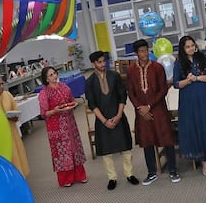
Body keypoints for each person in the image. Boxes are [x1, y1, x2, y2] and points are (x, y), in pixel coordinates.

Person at [125, 39, 180, 184]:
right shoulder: (131, 70)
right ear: (136, 54)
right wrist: (140, 108)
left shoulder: (157, 67)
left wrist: (149, 106)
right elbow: (130, 92)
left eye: (146, 50)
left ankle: (173, 170)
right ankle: (151, 172)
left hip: (158, 108)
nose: (145, 53)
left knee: (167, 138)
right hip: (141, 112)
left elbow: (163, 89)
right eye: (141, 51)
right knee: (147, 140)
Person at [173, 36, 206, 175]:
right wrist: (188, 80)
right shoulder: (179, 63)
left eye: (192, 45)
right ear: (182, 49)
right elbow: (176, 84)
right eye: (187, 46)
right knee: (197, 128)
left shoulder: (203, 58)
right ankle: (204, 162)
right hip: (189, 101)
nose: (191, 48)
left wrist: (196, 78)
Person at [85, 51, 138, 191]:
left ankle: (129, 174)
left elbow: (122, 96)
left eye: (104, 61)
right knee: (106, 151)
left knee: (126, 147)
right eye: (99, 62)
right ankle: (112, 177)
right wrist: (104, 121)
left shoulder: (114, 76)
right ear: (93, 64)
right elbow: (92, 104)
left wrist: (119, 115)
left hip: (118, 115)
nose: (103, 64)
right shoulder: (89, 82)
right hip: (102, 120)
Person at [37, 66, 88, 187]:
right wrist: (55, 111)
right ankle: (66, 178)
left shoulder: (64, 87)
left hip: (70, 124)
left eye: (54, 73)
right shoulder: (44, 93)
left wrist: (73, 104)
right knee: (62, 151)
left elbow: (72, 101)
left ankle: (80, 175)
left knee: (75, 147)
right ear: (46, 79)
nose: (54, 76)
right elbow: (44, 113)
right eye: (51, 75)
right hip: (56, 127)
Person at [0, 76, 30, 177]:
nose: (1, 86)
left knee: (17, 157)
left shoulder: (8, 95)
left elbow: (16, 110)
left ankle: (20, 178)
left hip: (12, 132)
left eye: (2, 84)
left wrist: (14, 117)